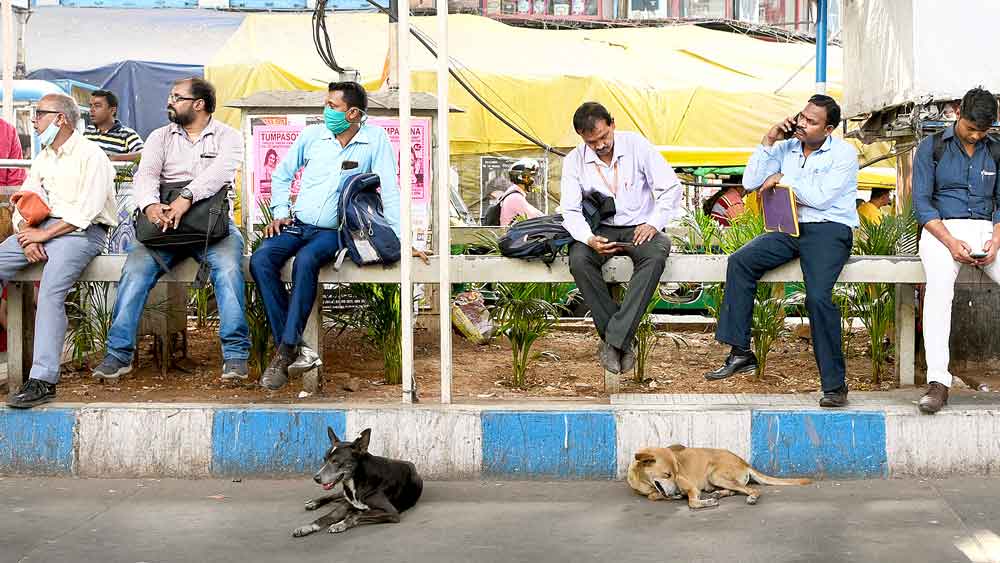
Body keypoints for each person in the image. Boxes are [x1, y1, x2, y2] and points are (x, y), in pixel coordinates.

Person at [249, 81, 429, 390]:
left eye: (333, 106)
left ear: (354, 114)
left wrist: (401, 239)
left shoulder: (375, 141)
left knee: (306, 261)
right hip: (298, 223)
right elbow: (281, 174)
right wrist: (280, 211)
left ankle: (284, 353)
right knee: (261, 259)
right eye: (326, 104)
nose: (326, 110)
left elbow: (390, 189)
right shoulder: (312, 136)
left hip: (335, 232)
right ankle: (291, 347)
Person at [91, 77, 250, 383]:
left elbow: (219, 174)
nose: (169, 102)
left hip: (211, 226)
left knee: (229, 270)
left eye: (177, 97)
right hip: (162, 223)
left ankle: (235, 356)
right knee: (134, 272)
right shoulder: (159, 136)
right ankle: (118, 354)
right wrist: (151, 206)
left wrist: (185, 199)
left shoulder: (228, 137)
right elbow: (146, 174)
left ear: (199, 104)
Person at [704, 95, 859, 408]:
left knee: (817, 297)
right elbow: (749, 181)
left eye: (812, 122)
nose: (802, 124)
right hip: (788, 227)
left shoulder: (844, 154)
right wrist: (770, 139)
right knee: (741, 261)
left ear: (828, 129)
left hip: (829, 229)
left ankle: (834, 385)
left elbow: (821, 197)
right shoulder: (785, 147)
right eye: (802, 117)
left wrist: (783, 178)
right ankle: (741, 352)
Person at [5, 94, 117, 408]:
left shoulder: (91, 156)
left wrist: (43, 234)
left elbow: (85, 214)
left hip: (81, 233)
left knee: (50, 291)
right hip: (43, 230)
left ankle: (42, 380)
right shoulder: (44, 157)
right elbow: (23, 201)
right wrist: (27, 234)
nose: (34, 120)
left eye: (39, 114)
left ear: (61, 119)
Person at [561, 102, 682, 375]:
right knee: (579, 259)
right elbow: (568, 210)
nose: (600, 145)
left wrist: (653, 223)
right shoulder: (574, 160)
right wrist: (589, 238)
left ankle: (613, 341)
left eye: (604, 136)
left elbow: (671, 187)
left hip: (640, 227)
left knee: (657, 251)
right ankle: (621, 342)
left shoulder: (637, 146)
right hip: (599, 229)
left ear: (612, 124)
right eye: (592, 142)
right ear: (581, 137)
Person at [912, 88, 1000, 414]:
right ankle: (938, 382)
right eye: (971, 128)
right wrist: (950, 242)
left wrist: (995, 242)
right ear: (958, 112)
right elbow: (922, 205)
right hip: (940, 230)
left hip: (986, 231)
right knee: (938, 291)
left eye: (983, 130)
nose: (976, 135)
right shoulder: (931, 147)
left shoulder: (996, 151)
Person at [84, 90, 144, 162]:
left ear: (112, 110)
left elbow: (144, 154)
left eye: (97, 106)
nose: (91, 110)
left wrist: (114, 158)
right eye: (90, 106)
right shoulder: (88, 131)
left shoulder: (127, 134)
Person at [499, 158, 544, 227]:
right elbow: (535, 217)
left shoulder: (514, 194)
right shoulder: (515, 197)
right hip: (513, 235)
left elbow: (535, 212)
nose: (533, 181)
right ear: (521, 178)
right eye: (530, 177)